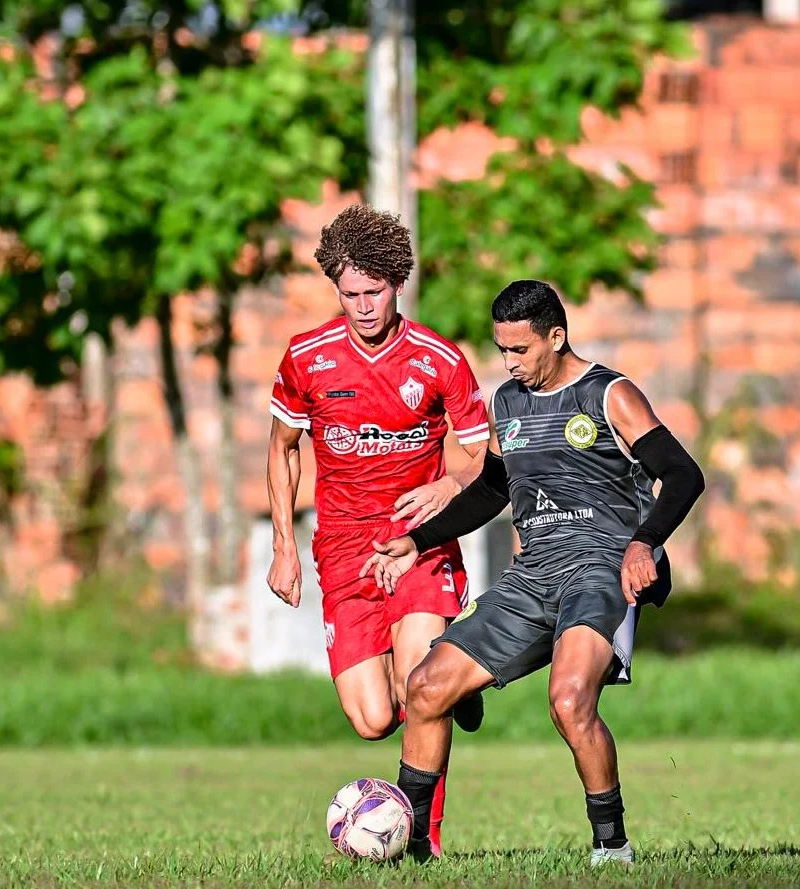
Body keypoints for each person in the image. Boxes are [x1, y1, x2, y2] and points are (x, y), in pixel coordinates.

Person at [362, 279, 705, 864]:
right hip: (533, 575)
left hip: (600, 570)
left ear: (556, 336)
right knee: (424, 688)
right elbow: (492, 490)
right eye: (502, 349)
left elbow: (682, 474)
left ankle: (612, 846)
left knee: (569, 701)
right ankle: (412, 845)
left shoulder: (609, 394)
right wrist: (416, 542)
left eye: (520, 349)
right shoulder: (508, 403)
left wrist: (644, 543)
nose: (509, 362)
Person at [266, 204, 491, 856]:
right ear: (336, 290)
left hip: (417, 540)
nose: (363, 306)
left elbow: (483, 454)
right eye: (350, 294)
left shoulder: (438, 359)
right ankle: (459, 677)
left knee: (420, 687)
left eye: (375, 292)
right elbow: (282, 447)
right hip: (343, 547)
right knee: (372, 718)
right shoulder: (306, 357)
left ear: (397, 284)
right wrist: (283, 546)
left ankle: (421, 838)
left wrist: (447, 486)